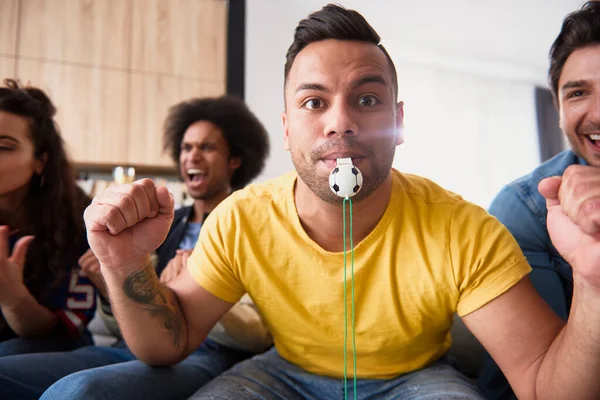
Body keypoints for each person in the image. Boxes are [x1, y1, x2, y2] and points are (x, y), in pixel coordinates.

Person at [84, 4, 600, 400]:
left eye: (367, 99)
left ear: (399, 124)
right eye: (314, 102)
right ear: (287, 130)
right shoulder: (241, 219)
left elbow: (541, 384)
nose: (340, 122)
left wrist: (594, 283)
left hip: (415, 379)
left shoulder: (461, 228)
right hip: (282, 375)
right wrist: (124, 262)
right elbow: (167, 343)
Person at [0, 96, 272, 400]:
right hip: (129, 348)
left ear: (235, 160)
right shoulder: (165, 221)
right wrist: (114, 285)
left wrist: (188, 290)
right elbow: (127, 328)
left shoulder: (250, 224)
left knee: (76, 392)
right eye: (186, 147)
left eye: (206, 147)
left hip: (204, 352)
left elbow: (260, 331)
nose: (192, 156)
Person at [477, 2, 600, 399]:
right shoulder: (525, 209)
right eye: (578, 93)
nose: (598, 113)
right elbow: (524, 390)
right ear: (559, 108)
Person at [0, 79, 95, 356]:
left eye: (4, 147)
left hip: (55, 350)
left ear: (40, 160)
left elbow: (60, 329)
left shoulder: (78, 221)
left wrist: (11, 294)